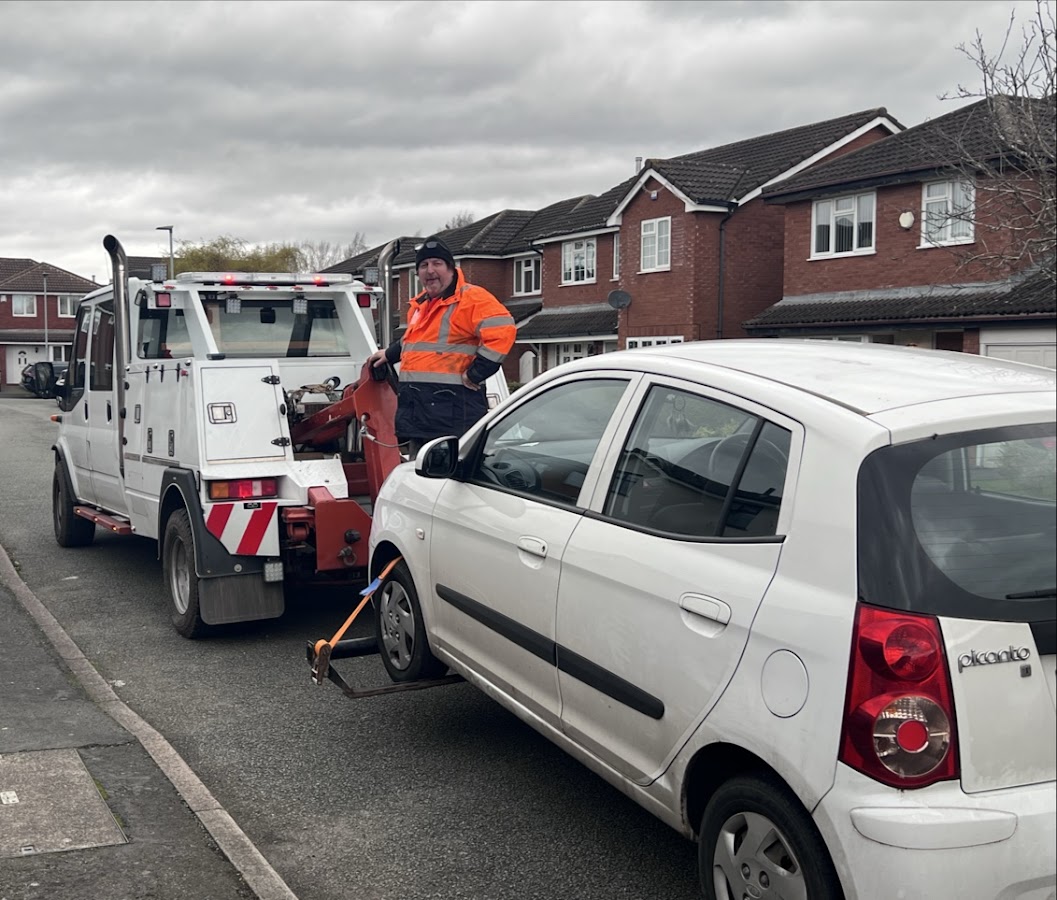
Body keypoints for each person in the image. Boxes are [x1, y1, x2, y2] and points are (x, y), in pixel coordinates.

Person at [368, 236, 516, 458]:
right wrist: (389, 354)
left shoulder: (472, 299)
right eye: (424, 266)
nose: (430, 270)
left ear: (451, 268)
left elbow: (503, 332)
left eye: (437, 263)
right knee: (422, 479)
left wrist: (476, 374)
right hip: (420, 413)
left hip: (452, 416)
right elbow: (416, 341)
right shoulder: (422, 305)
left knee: (446, 483)